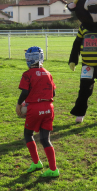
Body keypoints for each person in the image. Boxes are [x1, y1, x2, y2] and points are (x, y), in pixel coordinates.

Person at [16, 46, 59, 178]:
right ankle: (53, 169)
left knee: (28, 134)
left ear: (28, 60)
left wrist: (19, 104)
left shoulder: (27, 74)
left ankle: (36, 163)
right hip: (48, 108)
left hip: (35, 109)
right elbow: (53, 93)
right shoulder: (48, 73)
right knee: (45, 139)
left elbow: (25, 92)